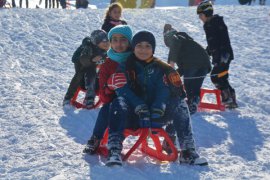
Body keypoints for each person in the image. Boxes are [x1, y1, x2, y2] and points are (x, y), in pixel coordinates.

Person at [104, 30, 207, 166]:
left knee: (180, 103)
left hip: (155, 113)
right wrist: (139, 105)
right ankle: (114, 151)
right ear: (133, 47)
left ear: (153, 49)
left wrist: (159, 106)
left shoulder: (160, 68)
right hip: (133, 115)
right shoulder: (124, 67)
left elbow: (163, 89)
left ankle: (188, 151)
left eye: (148, 46)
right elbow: (123, 90)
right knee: (118, 102)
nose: (143, 50)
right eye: (139, 46)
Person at [83, 25, 133, 155]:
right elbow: (104, 99)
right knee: (106, 108)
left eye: (123, 39)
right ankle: (96, 137)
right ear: (110, 42)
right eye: (114, 40)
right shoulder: (107, 65)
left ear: (129, 42)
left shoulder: (136, 60)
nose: (118, 43)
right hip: (115, 107)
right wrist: (109, 87)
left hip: (136, 105)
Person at [197, 1, 238, 109]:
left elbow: (224, 39)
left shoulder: (217, 23)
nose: (200, 18)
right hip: (218, 56)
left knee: (215, 76)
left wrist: (224, 54)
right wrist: (207, 51)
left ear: (207, 13)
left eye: (200, 15)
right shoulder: (208, 25)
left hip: (224, 55)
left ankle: (227, 98)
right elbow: (213, 42)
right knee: (222, 76)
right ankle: (232, 100)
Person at [163, 24, 211, 114]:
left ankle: (192, 103)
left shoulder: (175, 38)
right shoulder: (185, 44)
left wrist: (171, 63)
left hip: (193, 64)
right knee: (194, 85)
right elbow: (182, 68)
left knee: (189, 85)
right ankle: (194, 100)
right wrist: (173, 75)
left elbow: (175, 44)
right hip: (204, 64)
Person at [63, 30, 110, 108]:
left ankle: (109, 96)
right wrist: (92, 59)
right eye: (103, 41)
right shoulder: (88, 48)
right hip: (82, 71)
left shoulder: (107, 50)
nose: (107, 43)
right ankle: (70, 97)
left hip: (97, 77)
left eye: (108, 41)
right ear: (97, 43)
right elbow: (82, 59)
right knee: (85, 72)